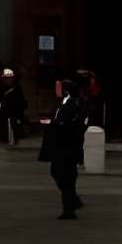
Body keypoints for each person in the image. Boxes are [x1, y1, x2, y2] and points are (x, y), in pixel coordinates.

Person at [39, 77, 87, 218]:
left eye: (60, 87)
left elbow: (67, 124)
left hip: (66, 146)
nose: (57, 89)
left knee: (65, 175)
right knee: (59, 173)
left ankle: (69, 209)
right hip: (62, 145)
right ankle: (73, 201)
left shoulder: (73, 104)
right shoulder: (65, 102)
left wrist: (52, 124)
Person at [0, 68, 27, 147]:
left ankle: (15, 137)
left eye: (10, 78)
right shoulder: (1, 87)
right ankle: (4, 138)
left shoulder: (17, 87)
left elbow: (21, 100)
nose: (9, 80)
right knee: (4, 125)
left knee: (15, 125)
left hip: (14, 110)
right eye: (7, 78)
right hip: (5, 110)